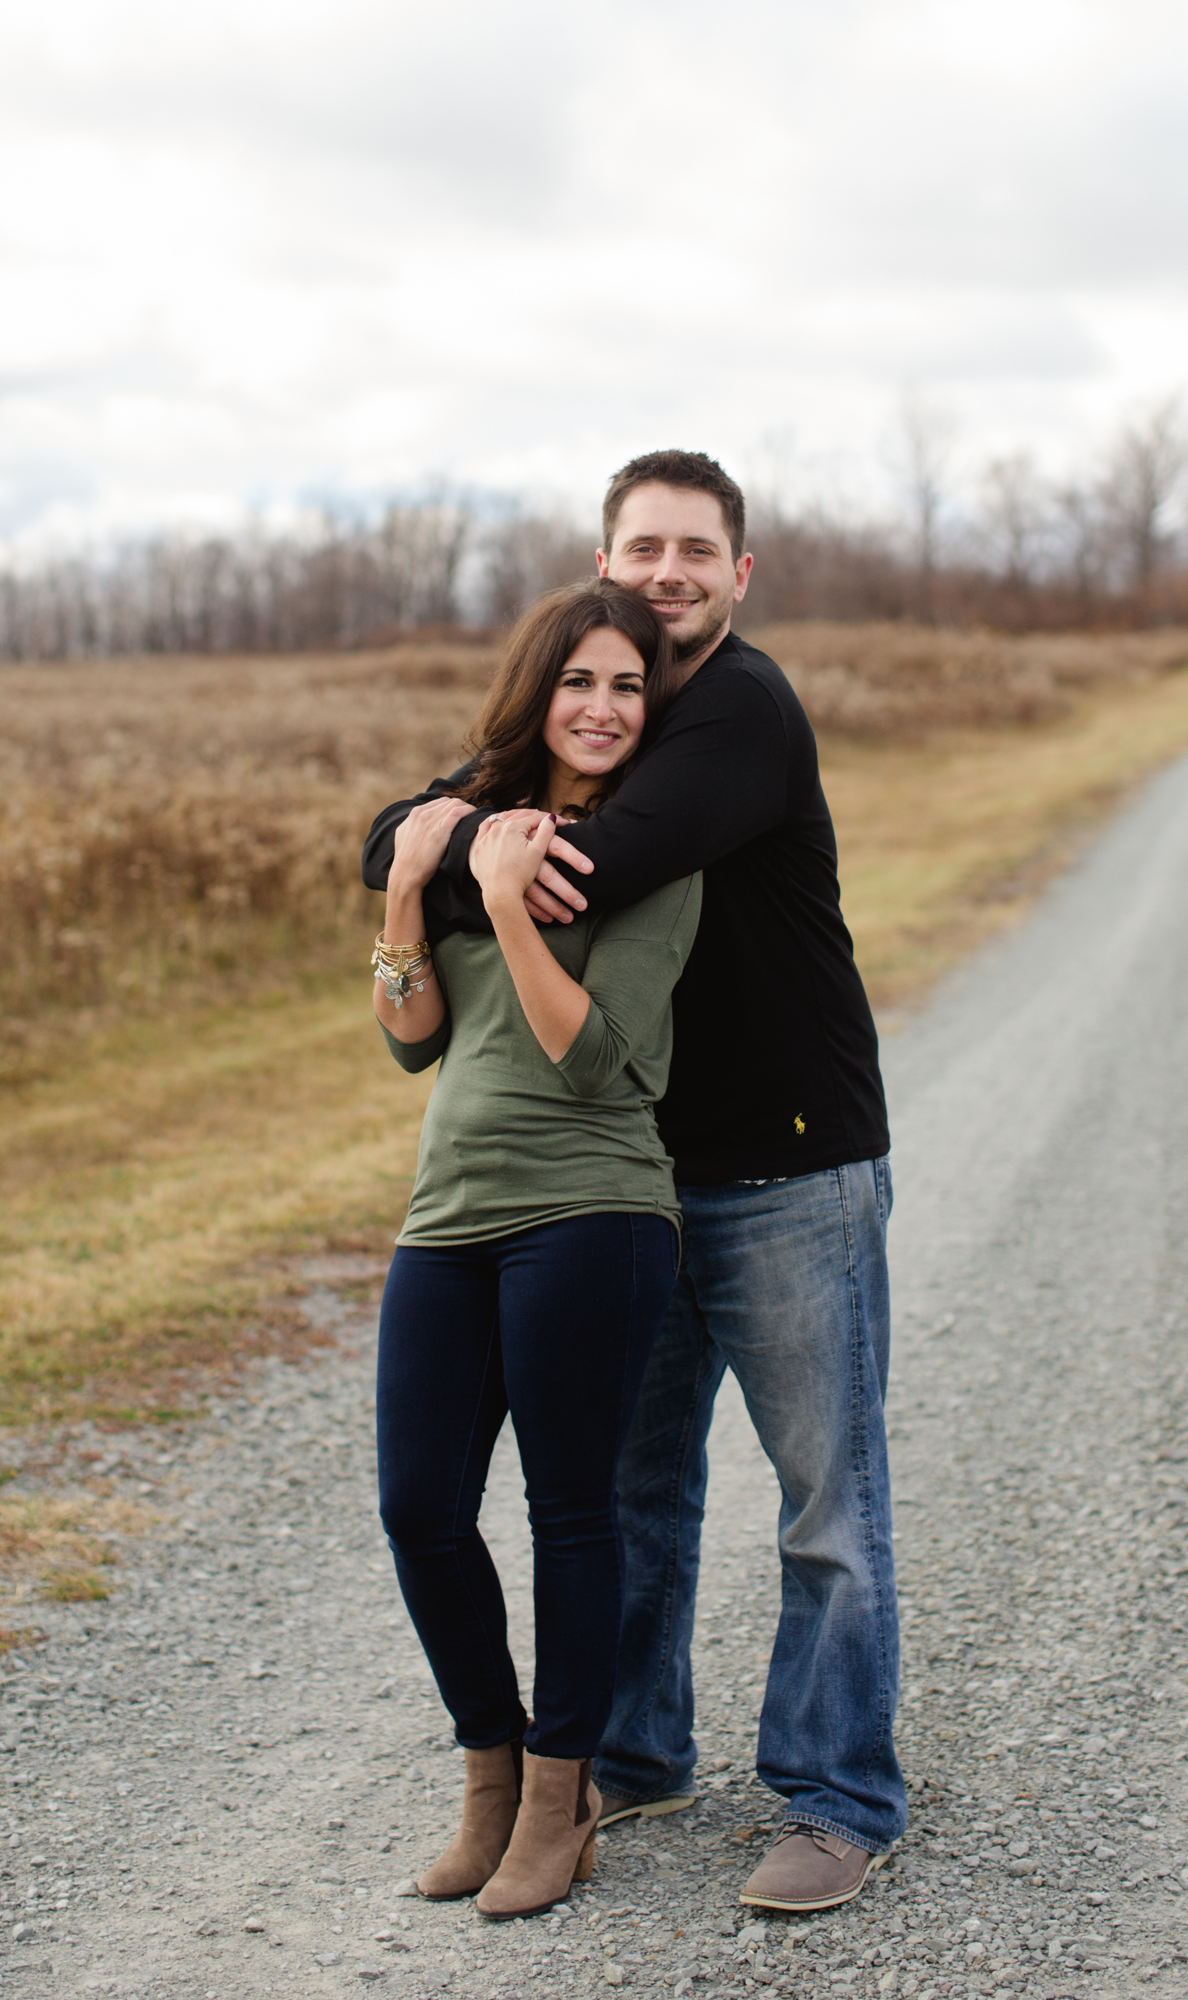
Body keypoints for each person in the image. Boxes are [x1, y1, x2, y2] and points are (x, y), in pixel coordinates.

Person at [363, 450, 903, 1914]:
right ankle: (628, 1752)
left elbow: (590, 866)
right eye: (640, 546)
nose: (666, 571)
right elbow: (391, 839)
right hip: (636, 1178)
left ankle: (836, 1797)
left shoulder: (734, 709)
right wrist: (434, 846)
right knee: (629, 1485)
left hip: (788, 1162)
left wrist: (456, 843)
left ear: (739, 574)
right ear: (608, 563)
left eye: (693, 550)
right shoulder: (621, 709)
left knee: (823, 1500)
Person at [372, 578, 702, 1922]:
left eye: (630, 685)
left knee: (569, 1509)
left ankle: (561, 1804)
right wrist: (409, 884)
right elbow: (409, 1039)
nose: (605, 706)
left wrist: (509, 904)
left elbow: (596, 1063)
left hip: (594, 1207)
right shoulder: (473, 829)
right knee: (418, 1508)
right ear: (539, 693)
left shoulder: (656, 852)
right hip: (448, 1212)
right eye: (582, 682)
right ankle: (490, 1774)